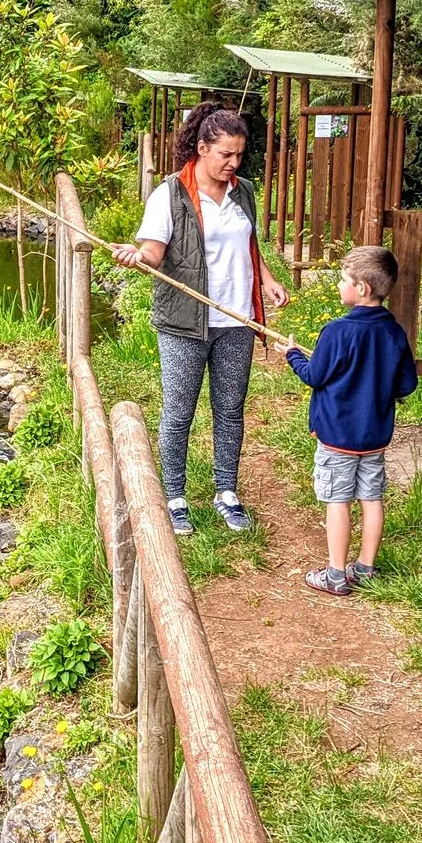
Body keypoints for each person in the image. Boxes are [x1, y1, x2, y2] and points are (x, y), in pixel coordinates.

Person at [112, 104, 289, 535]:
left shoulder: (242, 191)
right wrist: (137, 258)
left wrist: (265, 280)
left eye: (239, 155)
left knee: (230, 410)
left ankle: (227, 493)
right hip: (184, 322)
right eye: (226, 154)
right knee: (179, 413)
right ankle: (174, 498)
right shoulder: (168, 194)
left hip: (236, 319)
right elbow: (153, 252)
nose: (233, 163)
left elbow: (247, 245)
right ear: (202, 147)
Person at [283, 245, 418, 595]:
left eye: (343, 279)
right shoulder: (394, 332)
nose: (339, 285)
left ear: (362, 288)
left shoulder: (336, 332)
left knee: (338, 501)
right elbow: (407, 384)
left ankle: (335, 574)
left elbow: (314, 375)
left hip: (336, 437)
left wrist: (293, 355)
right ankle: (366, 568)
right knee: (371, 499)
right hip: (374, 437)